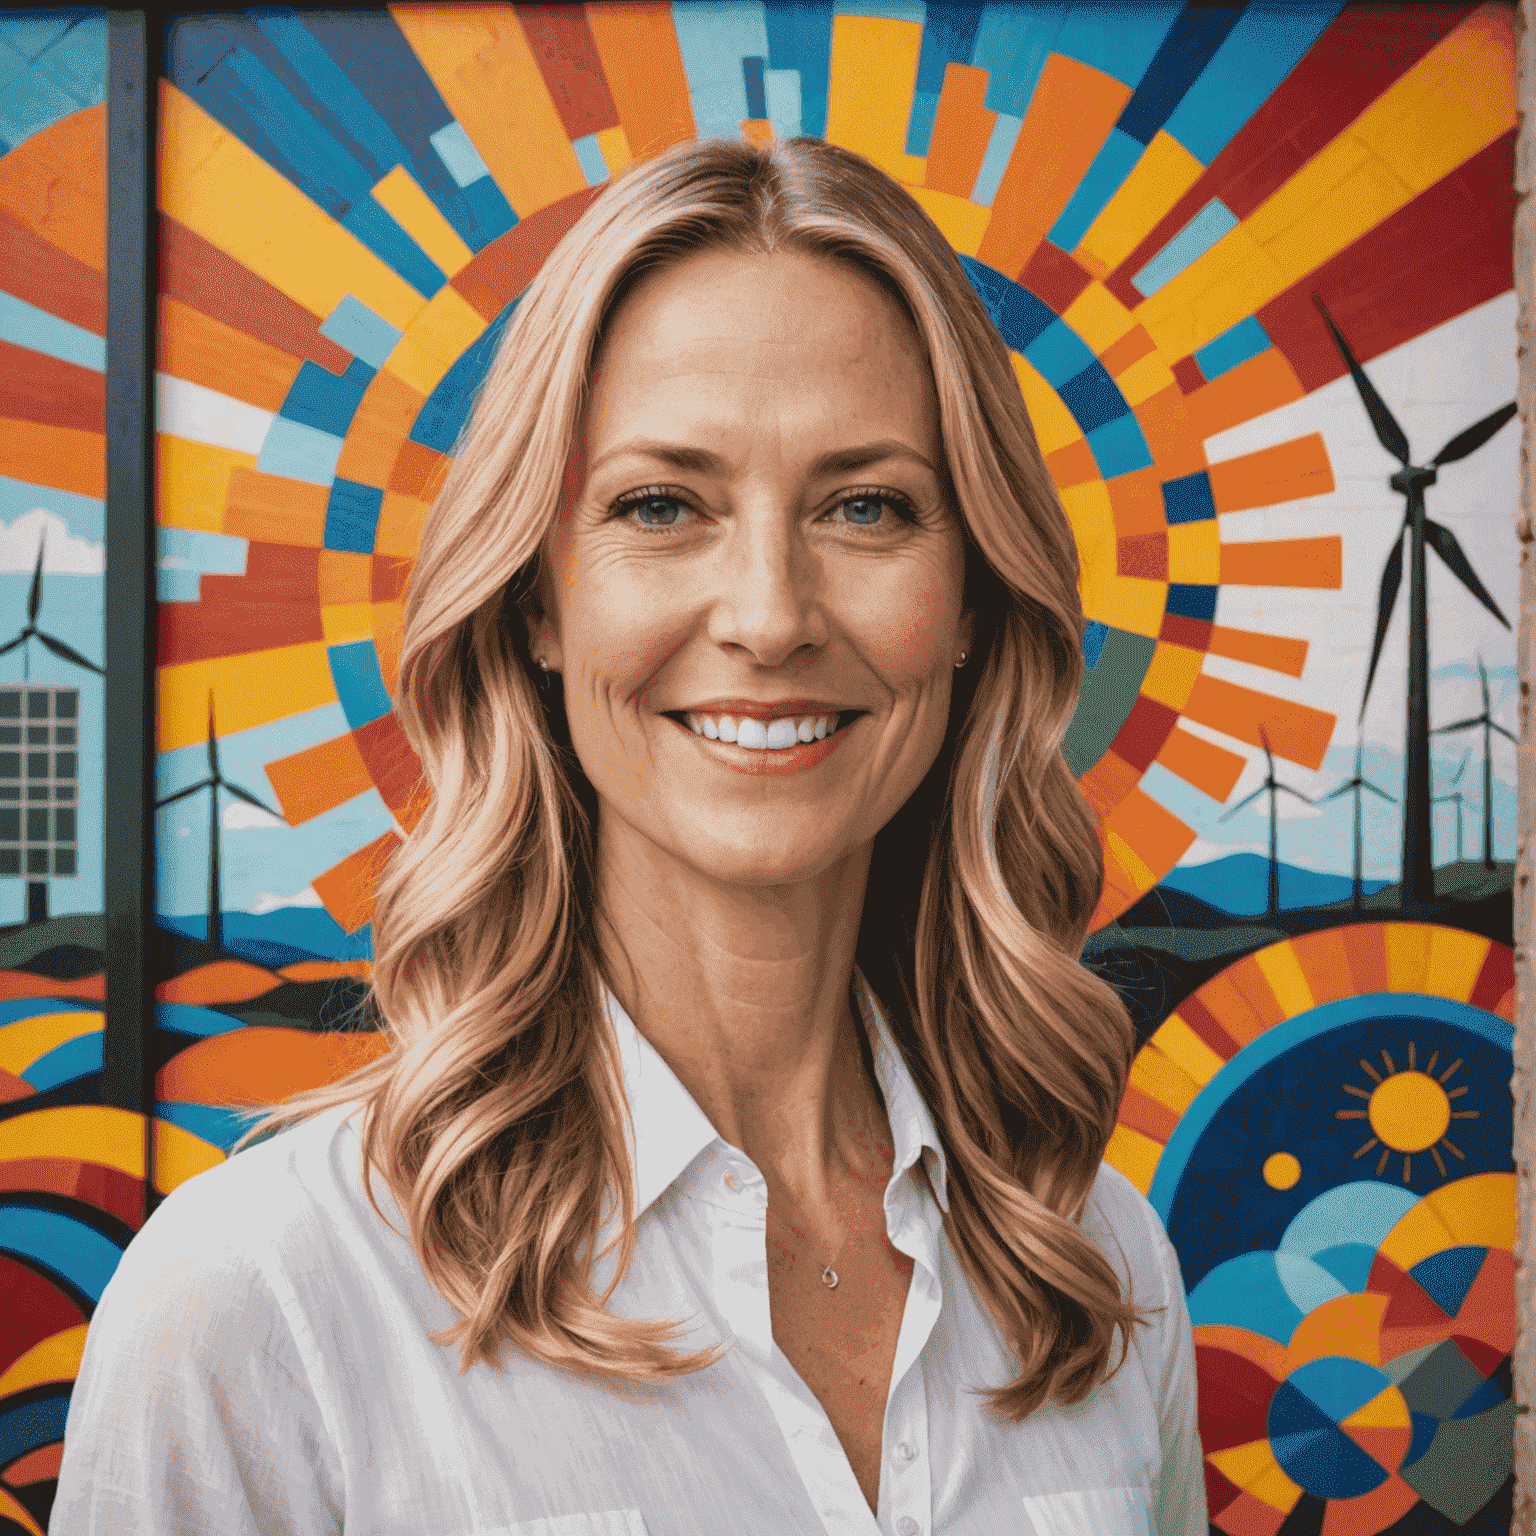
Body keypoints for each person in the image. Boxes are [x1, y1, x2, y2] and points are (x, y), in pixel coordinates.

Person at [53, 136, 1205, 1535]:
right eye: (663, 505)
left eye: (867, 506)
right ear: (537, 601)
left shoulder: (1091, 1257)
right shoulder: (261, 1301)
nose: (771, 614)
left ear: (970, 602)